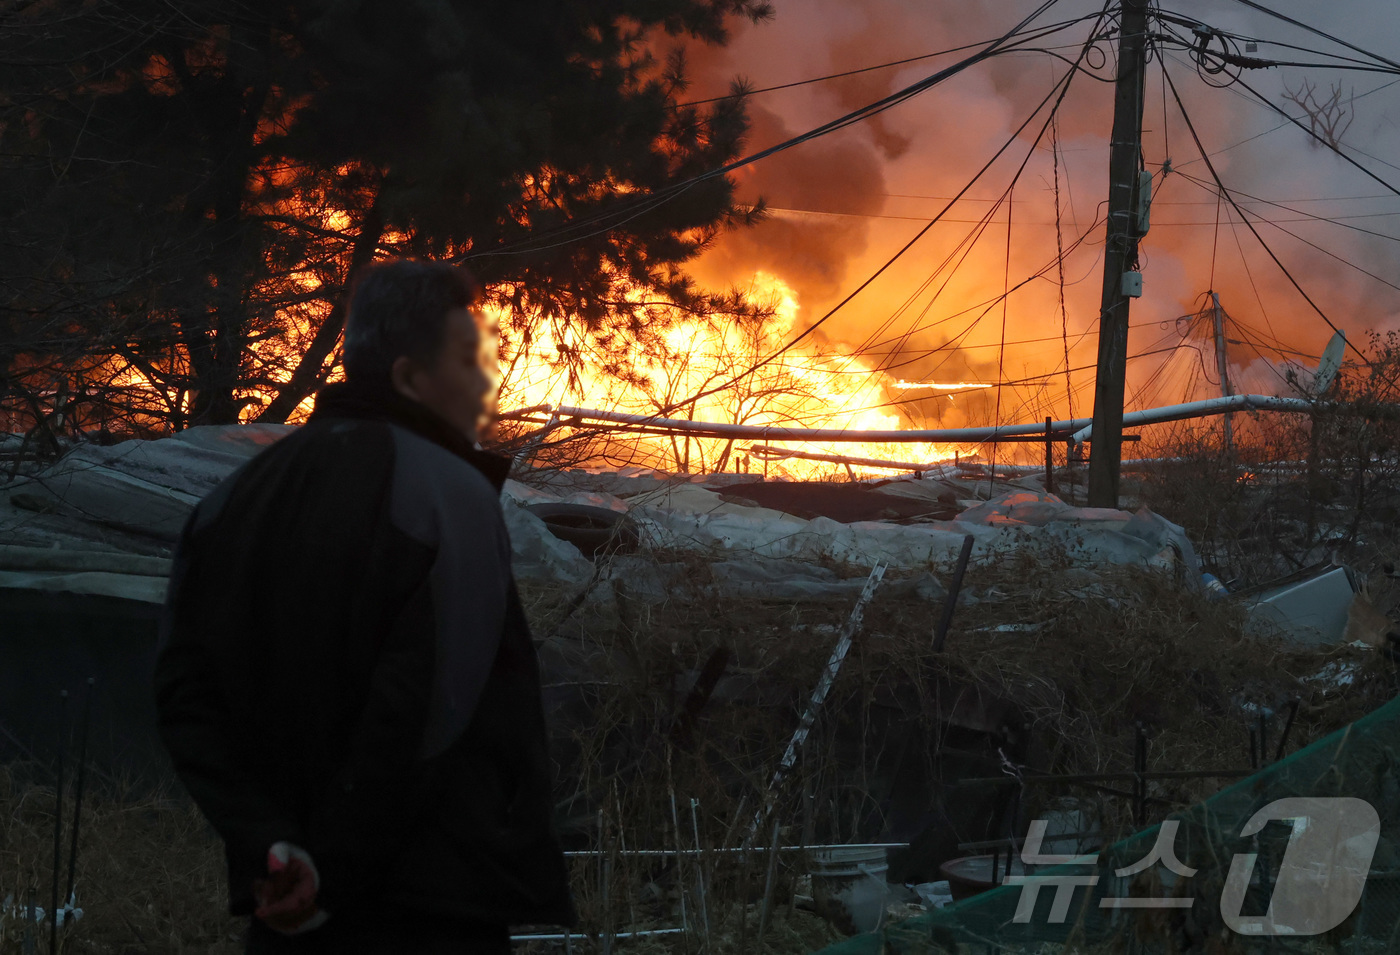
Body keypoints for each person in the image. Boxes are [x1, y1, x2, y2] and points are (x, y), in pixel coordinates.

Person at [153, 260, 575, 953]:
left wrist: (271, 846)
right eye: (468, 362)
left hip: (287, 910)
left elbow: (184, 693)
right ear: (409, 377)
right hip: (427, 908)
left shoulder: (234, 499)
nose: (488, 383)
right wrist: (336, 867)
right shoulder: (451, 500)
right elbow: (430, 709)